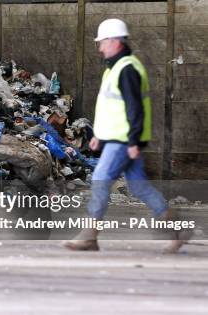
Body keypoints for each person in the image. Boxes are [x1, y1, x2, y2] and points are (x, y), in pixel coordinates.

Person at [63, 19, 185, 253]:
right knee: (139, 187)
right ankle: (177, 228)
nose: (99, 48)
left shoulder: (127, 69)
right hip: (118, 139)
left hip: (123, 141)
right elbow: (112, 108)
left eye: (102, 42)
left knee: (100, 180)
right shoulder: (115, 68)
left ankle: (89, 235)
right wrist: (99, 134)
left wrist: (133, 141)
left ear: (115, 41)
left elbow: (134, 108)